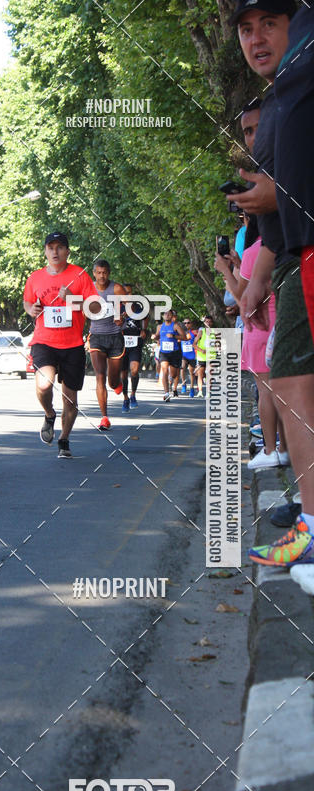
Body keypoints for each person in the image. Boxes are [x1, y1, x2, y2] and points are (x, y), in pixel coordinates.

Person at [241, 1, 314, 575]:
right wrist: (255, 282)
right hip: (296, 256)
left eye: (270, 23)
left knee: (291, 379)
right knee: (290, 377)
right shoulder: (286, 89)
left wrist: (275, 193)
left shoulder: (305, 78)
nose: (256, 37)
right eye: (245, 28)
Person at [24, 232, 96, 458]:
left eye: (60, 248)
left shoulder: (80, 275)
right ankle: (49, 414)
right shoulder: (35, 277)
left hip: (72, 344)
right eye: (50, 247)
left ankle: (64, 439)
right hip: (44, 341)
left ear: (67, 251)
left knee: (70, 399)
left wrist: (72, 299)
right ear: (45, 251)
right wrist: (31, 309)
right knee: (44, 385)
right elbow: (28, 301)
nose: (55, 252)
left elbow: (95, 309)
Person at [87, 260, 126, 429]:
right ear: (94, 273)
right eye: (99, 272)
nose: (102, 276)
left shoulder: (116, 288)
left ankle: (117, 384)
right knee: (100, 375)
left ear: (108, 273)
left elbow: (132, 307)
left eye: (105, 272)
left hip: (115, 337)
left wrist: (122, 316)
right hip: (96, 336)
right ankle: (104, 417)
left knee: (112, 381)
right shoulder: (88, 288)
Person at [121, 295, 148, 411]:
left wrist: (143, 329)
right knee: (123, 374)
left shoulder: (138, 308)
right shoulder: (118, 308)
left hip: (135, 343)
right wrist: (122, 318)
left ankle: (133, 394)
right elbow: (112, 323)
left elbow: (145, 318)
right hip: (121, 344)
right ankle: (125, 398)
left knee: (134, 370)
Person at [155, 309, 185, 401]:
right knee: (164, 371)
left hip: (174, 353)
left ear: (172, 316)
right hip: (164, 352)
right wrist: (154, 337)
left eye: (169, 314)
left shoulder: (175, 326)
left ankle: (172, 384)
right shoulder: (160, 326)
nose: (167, 315)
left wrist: (174, 336)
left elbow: (184, 337)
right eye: (165, 314)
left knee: (174, 374)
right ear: (163, 316)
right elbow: (157, 336)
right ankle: (166, 393)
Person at [194, 314, 217, 397]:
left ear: (212, 323)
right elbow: (194, 344)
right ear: (204, 323)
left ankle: (208, 392)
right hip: (201, 357)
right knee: (201, 374)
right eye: (207, 322)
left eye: (210, 322)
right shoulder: (201, 332)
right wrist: (201, 350)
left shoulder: (216, 332)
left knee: (210, 374)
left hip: (211, 356)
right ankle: (200, 391)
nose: (208, 323)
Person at [179, 318, 198, 397]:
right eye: (185, 323)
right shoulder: (180, 332)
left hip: (192, 355)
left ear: (191, 324)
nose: (186, 324)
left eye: (188, 323)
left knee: (191, 372)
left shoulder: (194, 332)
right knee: (182, 368)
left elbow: (202, 333)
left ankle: (192, 388)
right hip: (184, 355)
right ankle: (183, 384)